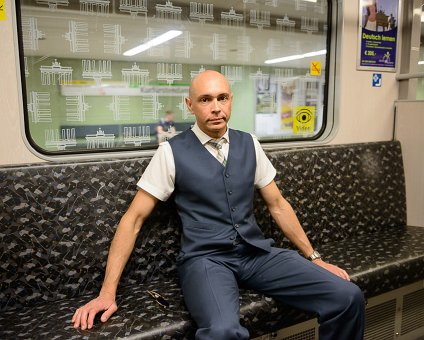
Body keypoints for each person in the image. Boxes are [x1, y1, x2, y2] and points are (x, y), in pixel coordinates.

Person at [72, 70, 365, 339]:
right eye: (205, 99)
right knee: (223, 331)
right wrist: (107, 293)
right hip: (206, 260)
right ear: (190, 105)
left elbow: (277, 204)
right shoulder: (170, 153)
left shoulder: (249, 143)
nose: (216, 107)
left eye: (222, 98)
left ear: (231, 100)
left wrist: (314, 257)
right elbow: (133, 220)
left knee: (347, 296)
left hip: (256, 253)